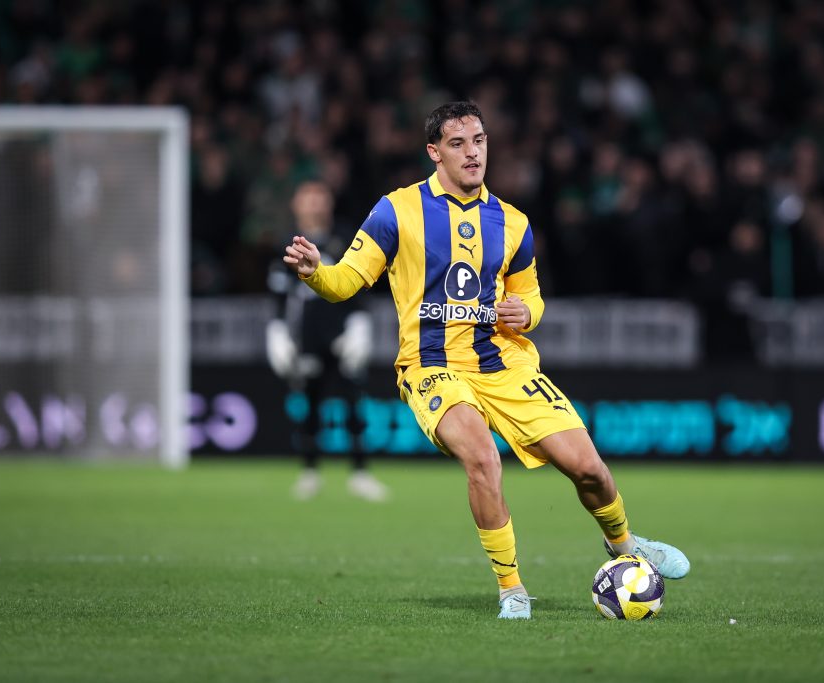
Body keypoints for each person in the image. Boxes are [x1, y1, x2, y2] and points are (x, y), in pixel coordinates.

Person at [282, 102, 689, 619]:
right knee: (483, 458)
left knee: (589, 469)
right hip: (432, 366)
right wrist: (316, 272)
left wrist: (528, 313)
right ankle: (512, 589)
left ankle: (625, 545)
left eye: (479, 140)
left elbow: (531, 297)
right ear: (434, 152)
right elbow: (345, 282)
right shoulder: (396, 211)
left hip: (504, 365)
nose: (472, 153)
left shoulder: (514, 223)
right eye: (458, 143)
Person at [267, 181, 390, 502]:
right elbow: (279, 294)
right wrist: (277, 331)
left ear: (330, 202)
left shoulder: (347, 237)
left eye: (319, 198)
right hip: (308, 338)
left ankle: (360, 473)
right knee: (310, 403)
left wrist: (360, 324)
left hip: (342, 334)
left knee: (354, 402)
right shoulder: (286, 243)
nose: (314, 204)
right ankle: (309, 472)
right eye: (307, 198)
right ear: (296, 204)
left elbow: (361, 281)